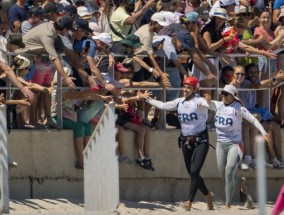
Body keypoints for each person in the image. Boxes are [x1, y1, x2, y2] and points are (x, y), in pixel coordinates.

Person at [146, 77, 214, 211]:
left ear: (195, 89)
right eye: (184, 86)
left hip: (201, 141)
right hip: (185, 141)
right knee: (192, 173)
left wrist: (209, 101)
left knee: (195, 171)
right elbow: (163, 106)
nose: (185, 89)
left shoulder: (199, 101)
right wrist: (146, 98)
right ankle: (207, 195)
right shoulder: (179, 102)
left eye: (188, 87)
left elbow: (210, 105)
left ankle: (189, 202)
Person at [205, 84, 270, 209]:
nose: (223, 96)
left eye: (226, 94)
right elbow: (202, 102)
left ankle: (227, 203)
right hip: (220, 144)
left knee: (229, 171)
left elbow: (253, 120)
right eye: (222, 93)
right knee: (223, 174)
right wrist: (206, 98)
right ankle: (241, 183)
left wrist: (264, 132)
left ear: (233, 96)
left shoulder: (239, 108)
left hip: (235, 145)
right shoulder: (217, 105)